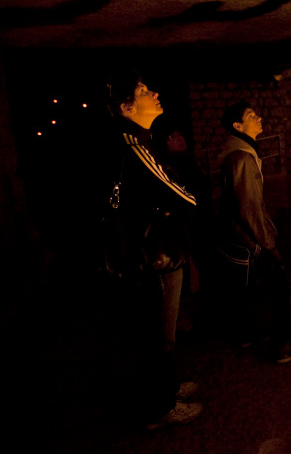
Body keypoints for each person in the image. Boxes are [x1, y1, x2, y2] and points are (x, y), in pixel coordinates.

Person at [104, 71, 203, 431]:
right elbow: (179, 194)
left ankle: (169, 388)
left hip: (152, 250)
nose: (155, 92)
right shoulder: (132, 143)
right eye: (145, 90)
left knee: (162, 332)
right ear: (127, 107)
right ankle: (160, 407)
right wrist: (194, 198)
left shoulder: (138, 140)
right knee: (159, 336)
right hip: (154, 255)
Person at [215, 101, 291, 364]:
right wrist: (269, 244)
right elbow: (249, 208)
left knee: (241, 288)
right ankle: (283, 346)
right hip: (251, 239)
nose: (258, 117)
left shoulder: (238, 152)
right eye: (250, 116)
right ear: (238, 126)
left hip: (238, 236)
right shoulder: (243, 158)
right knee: (281, 288)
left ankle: (246, 333)